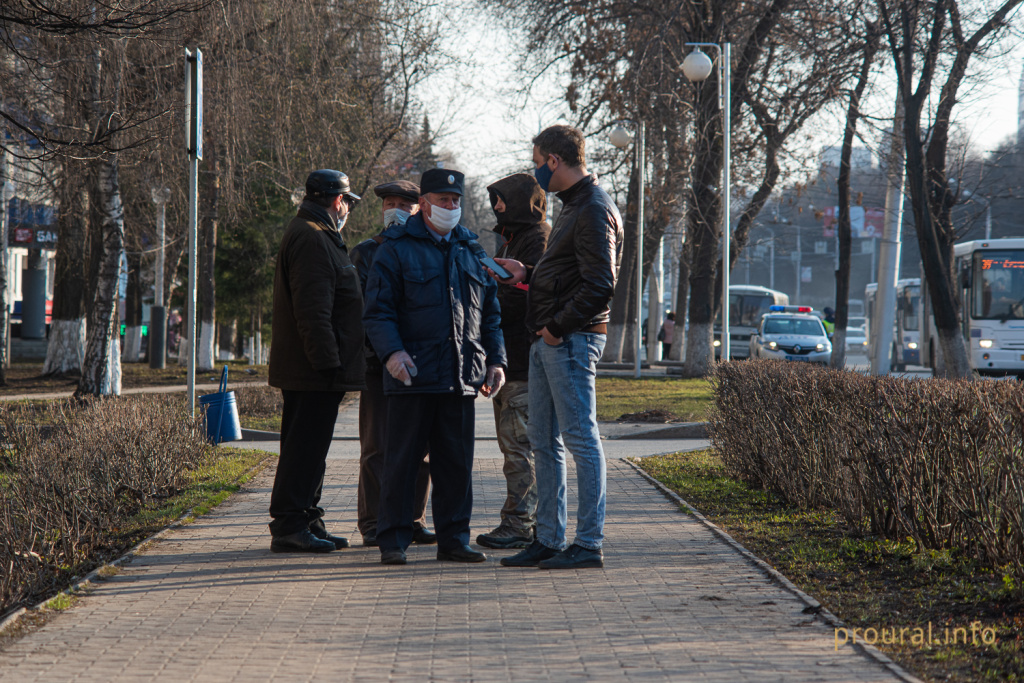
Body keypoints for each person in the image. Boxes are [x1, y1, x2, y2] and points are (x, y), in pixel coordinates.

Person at [490, 125, 623, 570]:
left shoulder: (593, 208)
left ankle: (588, 543)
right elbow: (567, 271)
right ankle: (547, 538)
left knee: (581, 439)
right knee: (544, 443)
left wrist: (556, 329)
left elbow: (601, 284)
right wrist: (525, 270)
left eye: (536, 160)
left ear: (552, 160)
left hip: (570, 339)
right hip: (551, 340)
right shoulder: (575, 206)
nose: (534, 170)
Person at [363, 168, 507, 566]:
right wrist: (393, 354)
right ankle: (392, 539)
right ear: (423, 203)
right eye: (443, 200)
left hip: (461, 377)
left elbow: (490, 314)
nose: (451, 207)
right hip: (411, 376)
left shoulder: (470, 249)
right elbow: (378, 312)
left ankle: (454, 540)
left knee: (456, 465)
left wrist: (496, 361)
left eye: (455, 201)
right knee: (402, 461)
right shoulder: (395, 247)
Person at [267, 169, 366, 553]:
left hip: (315, 369)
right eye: (346, 202)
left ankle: (307, 518)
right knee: (304, 451)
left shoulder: (318, 233)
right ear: (336, 200)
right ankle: (291, 524)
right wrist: (328, 364)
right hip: (315, 371)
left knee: (311, 451)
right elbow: (313, 310)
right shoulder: (312, 236)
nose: (346, 210)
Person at [350, 180, 436, 548]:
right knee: (377, 448)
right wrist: (383, 353)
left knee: (422, 449)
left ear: (419, 208)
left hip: (422, 365)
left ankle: (413, 519)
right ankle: (373, 522)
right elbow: (362, 312)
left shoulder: (430, 249)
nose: (396, 208)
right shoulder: (365, 253)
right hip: (376, 366)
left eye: (404, 203)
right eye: (389, 202)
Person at [475, 173, 551, 550]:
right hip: (511, 359)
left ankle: (521, 523)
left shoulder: (537, 238)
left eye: (502, 199)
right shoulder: (515, 236)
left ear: (523, 201)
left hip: (523, 361)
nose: (497, 206)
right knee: (514, 445)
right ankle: (527, 521)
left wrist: (507, 283)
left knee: (518, 446)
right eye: (495, 200)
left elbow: (538, 293)